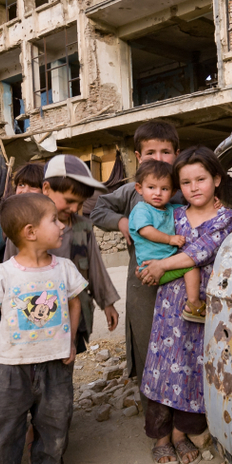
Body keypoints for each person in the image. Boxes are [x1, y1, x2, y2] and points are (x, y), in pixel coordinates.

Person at [0, 193, 88, 464]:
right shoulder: (4, 273)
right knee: (4, 425)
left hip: (55, 363)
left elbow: (75, 302)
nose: (61, 226)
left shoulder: (64, 268)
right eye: (54, 220)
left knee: (55, 419)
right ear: (31, 231)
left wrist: (71, 342)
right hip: (11, 366)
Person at [136, 146, 232, 464]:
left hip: (202, 307)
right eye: (186, 182)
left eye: (201, 179)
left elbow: (202, 251)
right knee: (163, 366)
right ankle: (161, 438)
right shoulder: (173, 214)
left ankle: (181, 433)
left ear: (216, 179)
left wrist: (161, 266)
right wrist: (148, 266)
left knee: (193, 367)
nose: (194, 187)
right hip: (168, 306)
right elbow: (148, 239)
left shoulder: (226, 218)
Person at [91, 121, 179, 385]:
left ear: (177, 154)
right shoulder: (132, 191)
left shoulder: (184, 187)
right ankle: (149, 399)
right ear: (139, 157)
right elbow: (98, 210)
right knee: (146, 339)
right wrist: (121, 221)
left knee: (181, 340)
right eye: (151, 153)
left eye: (166, 152)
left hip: (181, 277)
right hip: (142, 280)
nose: (158, 158)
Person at [5, 155, 120, 352]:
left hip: (74, 316)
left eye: (80, 203)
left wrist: (107, 303)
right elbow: (9, 274)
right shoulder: (23, 230)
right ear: (46, 188)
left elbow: (95, 269)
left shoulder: (83, 228)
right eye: (69, 201)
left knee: (67, 358)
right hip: (33, 318)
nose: (74, 208)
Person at [128, 159, 206, 323]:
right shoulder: (142, 209)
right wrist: (170, 239)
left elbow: (192, 209)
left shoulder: (171, 209)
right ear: (139, 188)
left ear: (172, 192)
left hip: (165, 262)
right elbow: (146, 230)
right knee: (191, 266)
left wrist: (216, 204)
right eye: (151, 187)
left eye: (164, 189)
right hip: (151, 268)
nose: (157, 193)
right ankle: (194, 304)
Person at [0, 163, 45, 264]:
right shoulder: (6, 218)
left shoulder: (50, 220)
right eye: (21, 185)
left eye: (33, 186)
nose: (25, 191)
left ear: (45, 190)